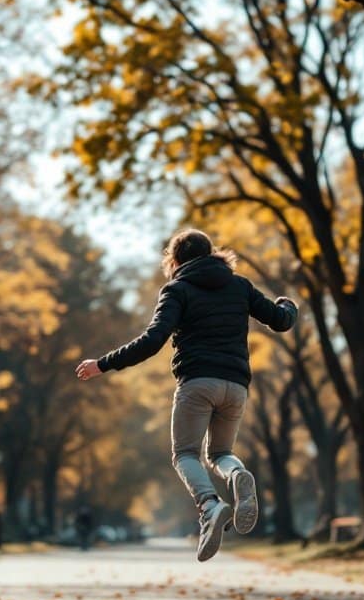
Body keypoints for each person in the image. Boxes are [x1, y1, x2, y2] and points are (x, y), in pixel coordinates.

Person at [75, 229, 298, 562]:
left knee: (185, 454)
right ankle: (238, 476)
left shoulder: (178, 290)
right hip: (235, 387)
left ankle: (210, 505)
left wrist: (102, 364)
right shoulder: (240, 286)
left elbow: (153, 340)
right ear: (211, 254)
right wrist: (288, 304)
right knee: (221, 452)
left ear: (175, 260)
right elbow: (280, 321)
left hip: (197, 383)